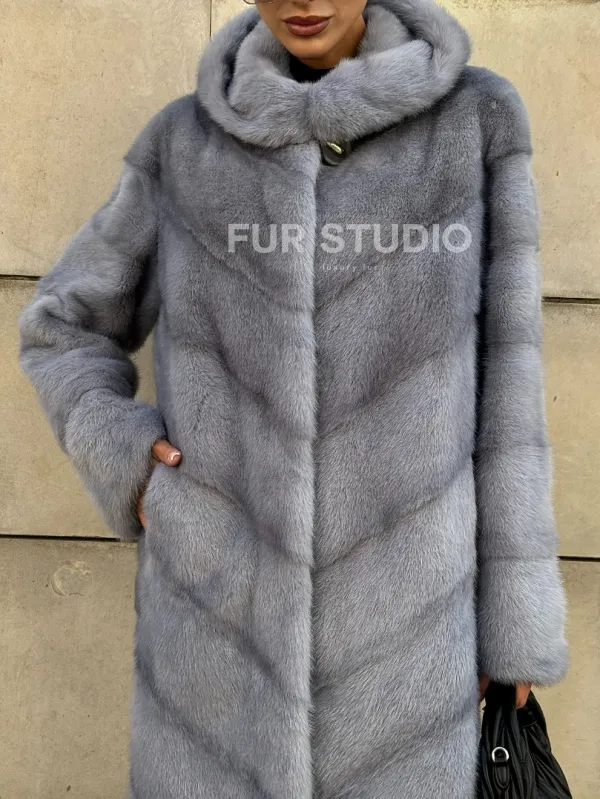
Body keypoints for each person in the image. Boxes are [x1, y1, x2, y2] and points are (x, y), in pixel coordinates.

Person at [18, 0, 569, 796]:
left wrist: (513, 626)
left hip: (407, 654)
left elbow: (512, 390)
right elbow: (61, 326)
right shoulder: (184, 146)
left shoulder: (473, 124)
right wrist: (126, 458)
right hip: (218, 651)